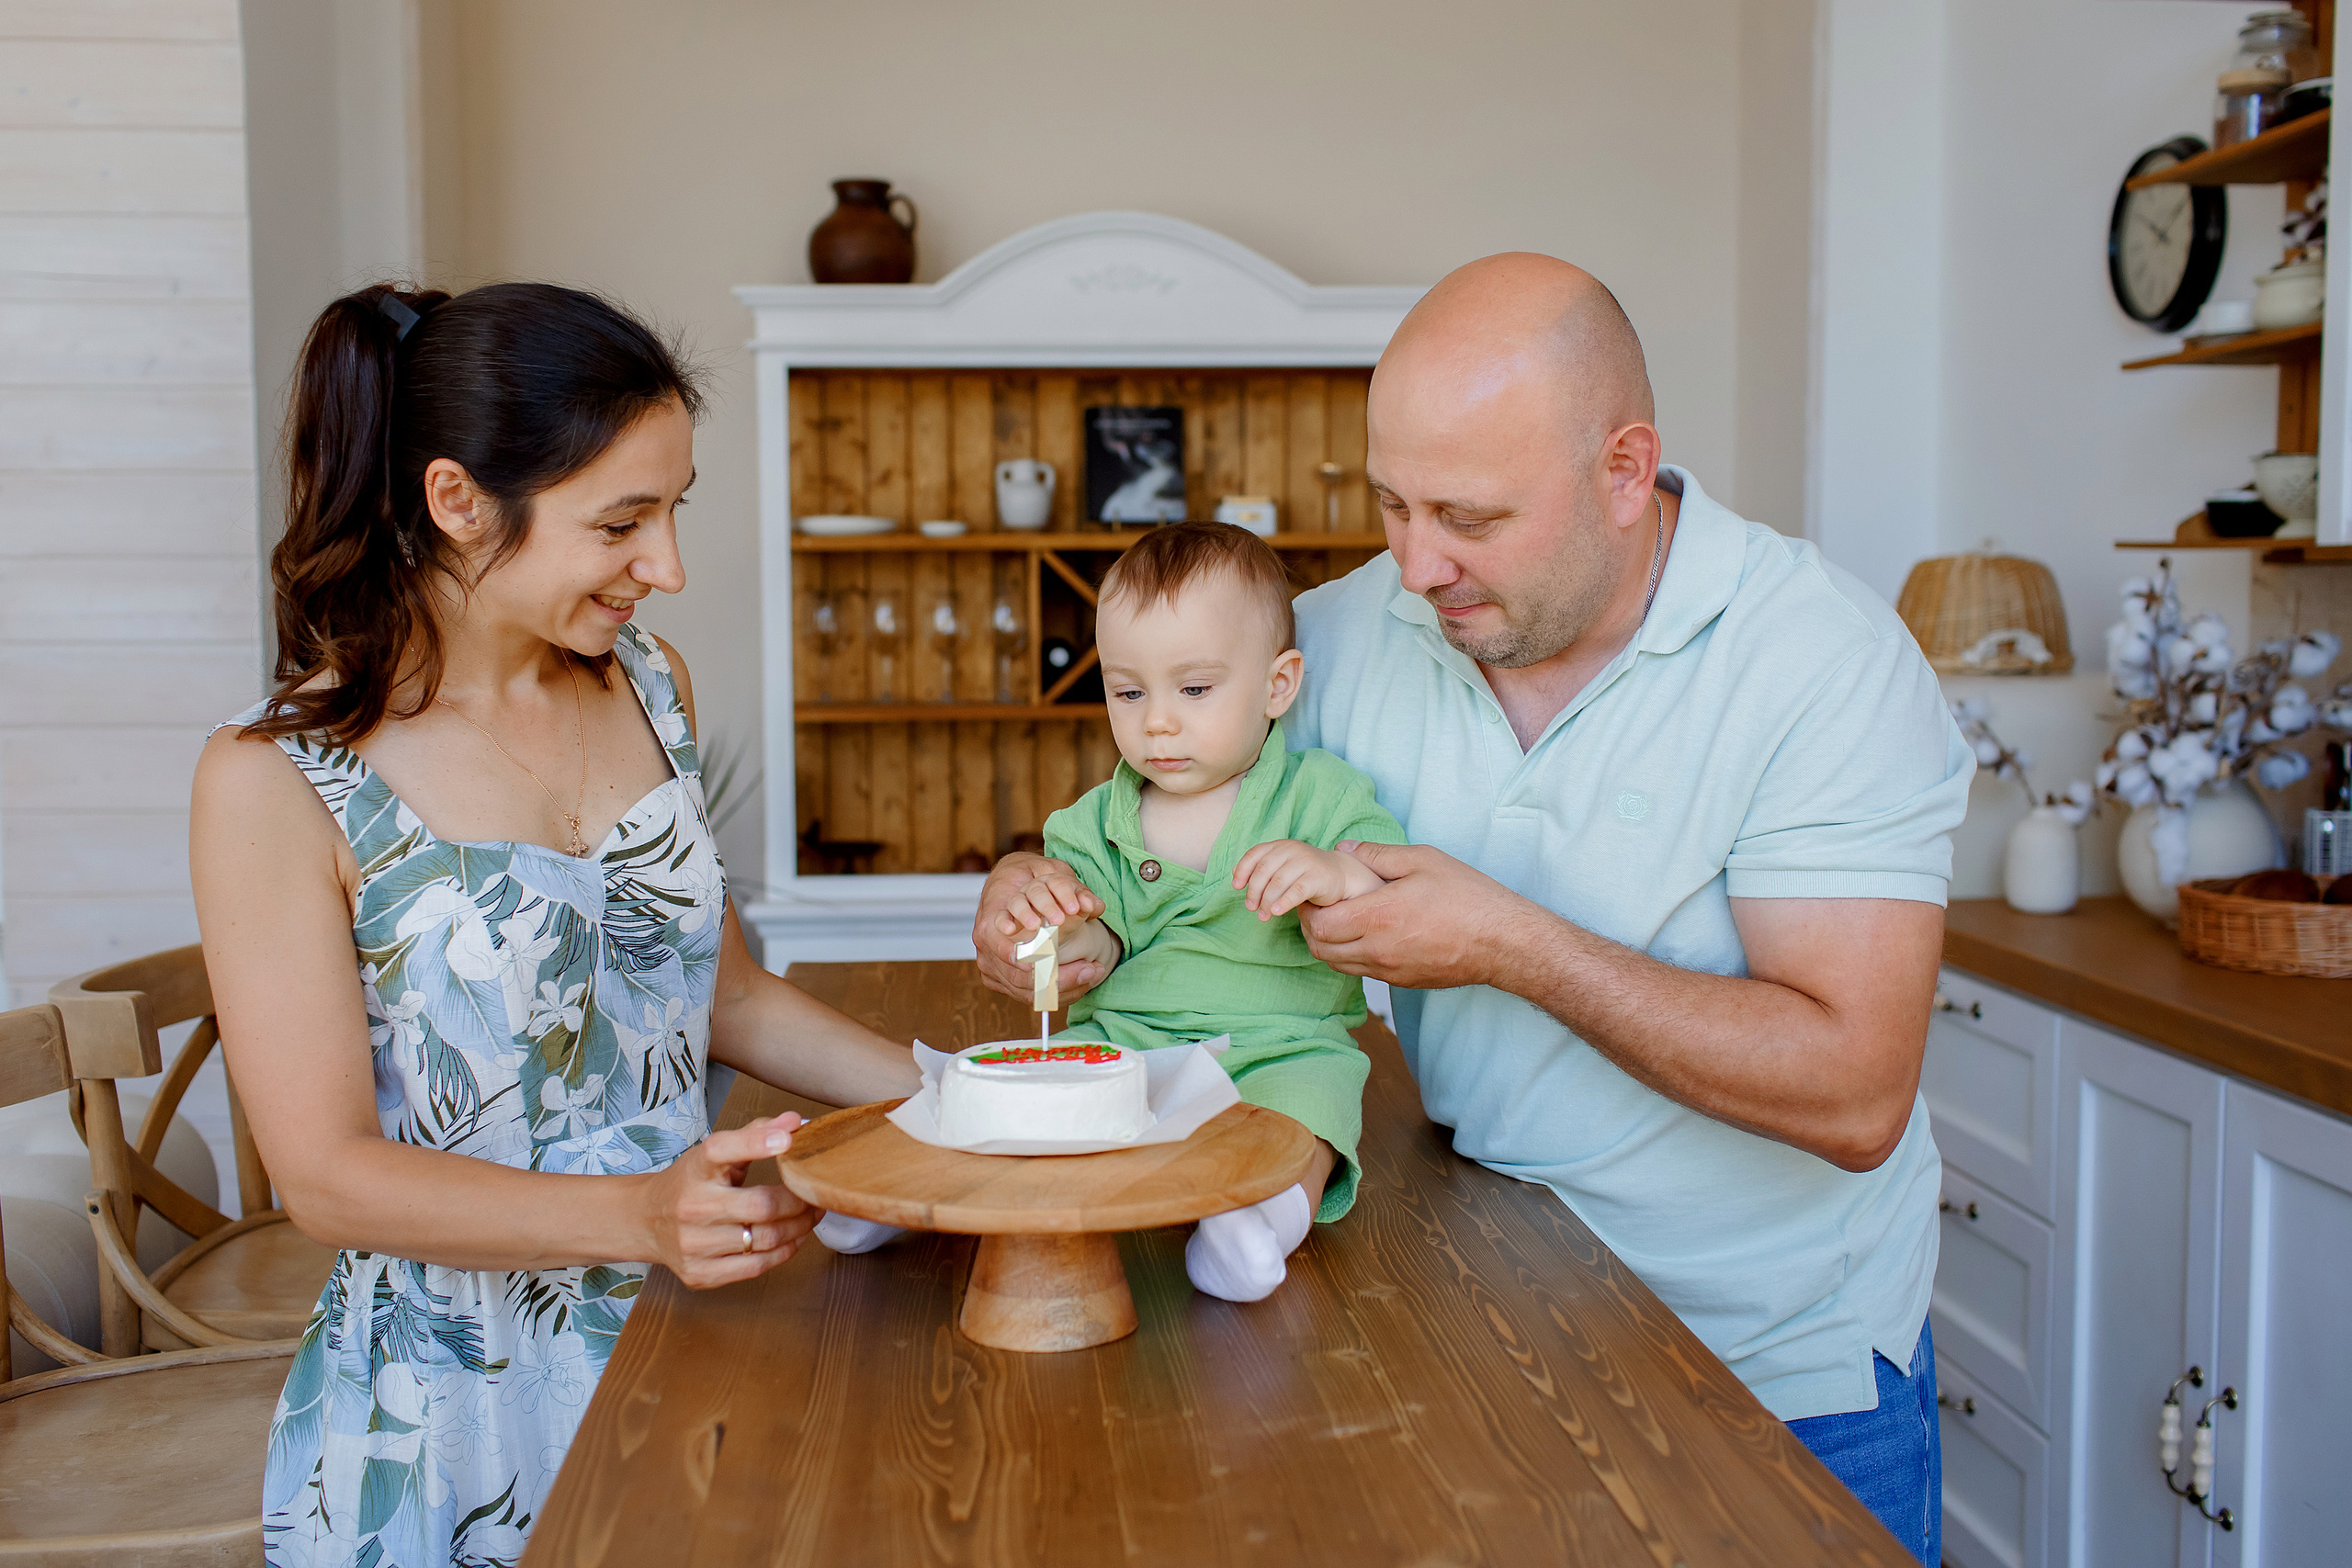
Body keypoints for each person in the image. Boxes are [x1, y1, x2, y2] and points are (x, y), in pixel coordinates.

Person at [974, 254, 1969, 1564]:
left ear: (1626, 469)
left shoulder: (1821, 663)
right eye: (1390, 500)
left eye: (1469, 514)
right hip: (1474, 1326)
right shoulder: (1336, 639)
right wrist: (1034, 901)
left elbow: (1855, 1091)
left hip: (1776, 1372)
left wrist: (1509, 942)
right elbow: (1152, 815)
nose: (1414, 560)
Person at [191, 281, 919, 1568]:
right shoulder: (278, 780)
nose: (668, 566)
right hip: (458, 1397)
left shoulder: (652, 684)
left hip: (693, 1327)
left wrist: (966, 1104)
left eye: (673, 507)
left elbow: (723, 994)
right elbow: (326, 1173)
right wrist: (641, 1214)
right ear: (458, 498)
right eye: (622, 521)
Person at [825, 524, 1404, 1303]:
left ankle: (1258, 1223)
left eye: (1194, 689)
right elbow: (1093, 944)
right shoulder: (1091, 823)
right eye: (1128, 692)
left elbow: (1390, 901)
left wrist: (1334, 873)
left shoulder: (1320, 795)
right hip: (1128, 1044)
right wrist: (1061, 934)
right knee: (1024, 1104)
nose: (1156, 721)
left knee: (1312, 1118)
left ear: (1278, 684)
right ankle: (912, 1193)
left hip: (1281, 1047)